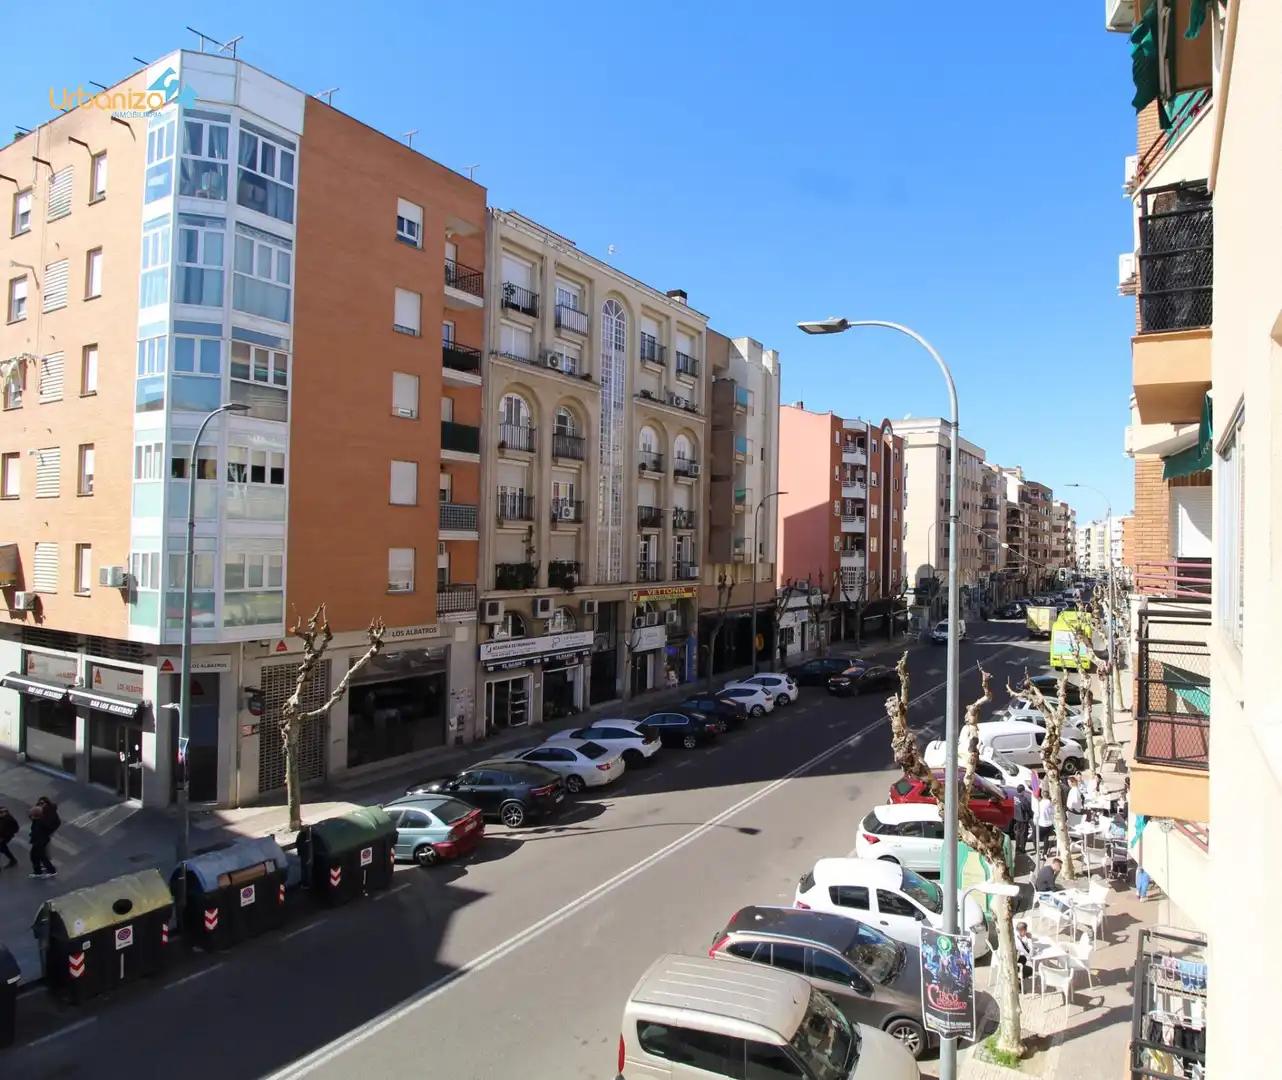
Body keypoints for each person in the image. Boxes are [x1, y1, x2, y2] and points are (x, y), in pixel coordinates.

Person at [28, 796, 59, 879]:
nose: (40, 805)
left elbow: (52, 824)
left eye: (42, 803)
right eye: (39, 803)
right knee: (36, 855)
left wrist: (48, 832)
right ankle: (39, 871)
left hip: (41, 839)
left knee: (40, 856)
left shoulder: (47, 815)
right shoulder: (40, 815)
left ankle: (50, 870)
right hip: (38, 838)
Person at [1012, 784, 1033, 853]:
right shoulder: (1024, 799)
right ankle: (1022, 849)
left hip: (1017, 817)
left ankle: (1017, 847)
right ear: (1023, 791)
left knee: (1018, 832)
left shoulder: (1015, 796)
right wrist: (1031, 815)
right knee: (1023, 834)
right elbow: (1028, 808)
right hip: (1023, 818)